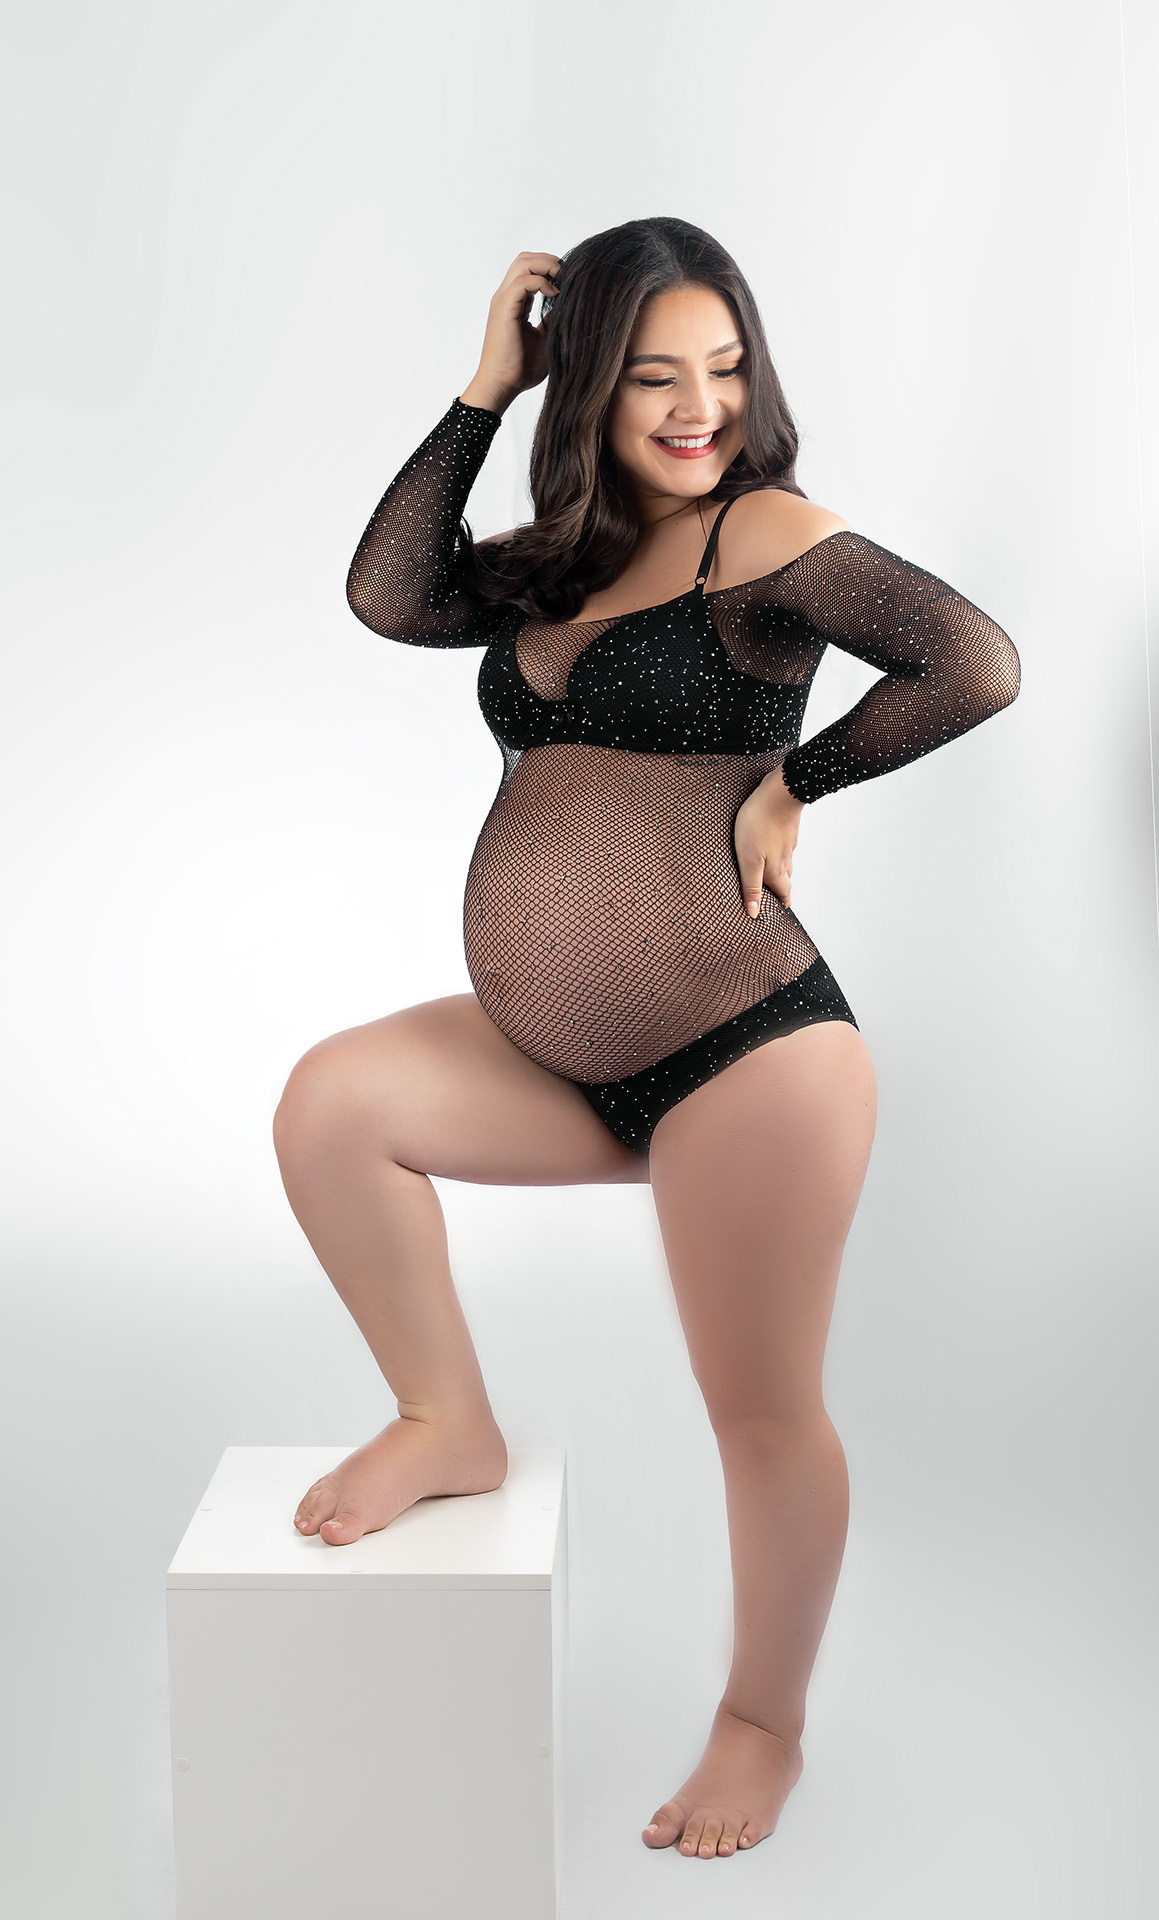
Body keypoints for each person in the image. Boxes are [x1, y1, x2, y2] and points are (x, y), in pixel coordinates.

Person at [272, 216, 1021, 1862]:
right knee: (332, 1107)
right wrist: (484, 388)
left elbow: (975, 661)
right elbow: (389, 594)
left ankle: (765, 1723)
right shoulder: (566, 554)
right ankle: (447, 1423)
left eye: (727, 369)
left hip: (748, 1055)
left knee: (759, 1412)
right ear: (590, 387)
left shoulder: (768, 532)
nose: (699, 408)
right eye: (653, 377)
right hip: (563, 1060)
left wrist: (798, 780)